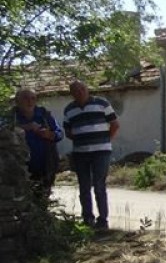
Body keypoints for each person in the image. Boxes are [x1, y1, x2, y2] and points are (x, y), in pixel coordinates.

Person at [62, 81, 119, 229]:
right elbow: (68, 131)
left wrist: (105, 140)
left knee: (99, 185)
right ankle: (88, 219)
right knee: (84, 186)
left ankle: (103, 221)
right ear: (72, 93)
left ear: (87, 89)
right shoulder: (69, 109)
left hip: (101, 151)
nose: (80, 92)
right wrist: (82, 140)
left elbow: (115, 124)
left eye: (82, 88)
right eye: (76, 90)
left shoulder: (101, 103)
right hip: (80, 153)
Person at [10, 88, 64, 193]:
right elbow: (3, 130)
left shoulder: (44, 115)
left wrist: (50, 134)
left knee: (43, 198)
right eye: (25, 98)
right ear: (17, 101)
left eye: (33, 98)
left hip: (45, 165)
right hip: (18, 167)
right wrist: (26, 127)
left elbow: (59, 134)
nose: (30, 102)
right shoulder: (11, 116)